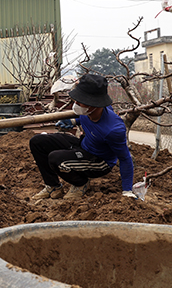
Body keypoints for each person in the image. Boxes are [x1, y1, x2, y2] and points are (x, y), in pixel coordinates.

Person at [30, 73, 136, 201]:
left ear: (95, 104)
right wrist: (73, 122)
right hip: (83, 145)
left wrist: (127, 191)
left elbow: (125, 158)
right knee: (38, 142)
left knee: (56, 158)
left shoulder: (113, 129)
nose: (76, 104)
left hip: (99, 161)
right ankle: (53, 186)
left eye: (80, 101)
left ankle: (80, 183)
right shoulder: (89, 110)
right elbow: (84, 118)